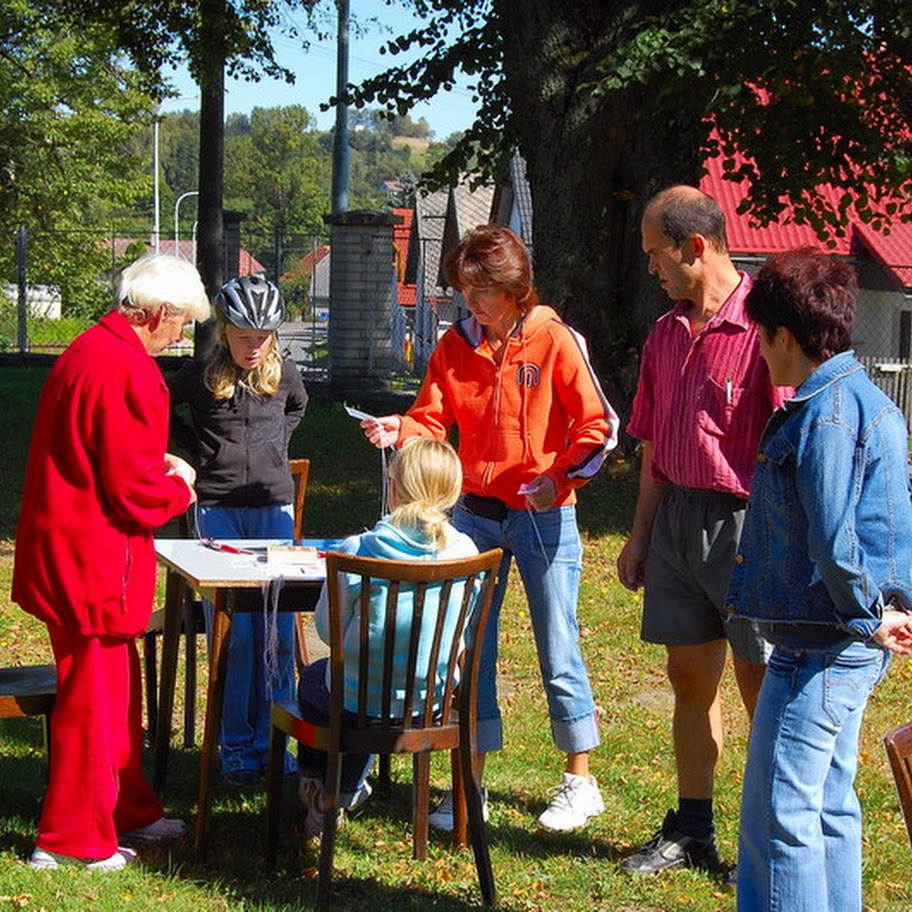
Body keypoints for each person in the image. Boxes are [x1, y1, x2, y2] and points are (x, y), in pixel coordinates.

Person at [364, 224, 618, 832]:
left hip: (544, 518)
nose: (468, 304)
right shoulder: (455, 346)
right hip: (475, 519)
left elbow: (600, 429)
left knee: (559, 646)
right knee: (470, 651)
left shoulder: (555, 341)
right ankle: (469, 784)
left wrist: (558, 480)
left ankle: (579, 781)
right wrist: (402, 428)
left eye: (479, 293)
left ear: (514, 290)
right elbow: (431, 417)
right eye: (462, 292)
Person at [728, 248, 912, 911]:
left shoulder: (826, 414)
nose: (761, 354)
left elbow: (834, 538)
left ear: (784, 334)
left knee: (782, 816)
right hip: (847, 640)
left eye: (761, 338)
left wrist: (867, 614)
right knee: (830, 803)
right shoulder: (868, 401)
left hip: (820, 643)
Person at [12, 253, 209, 871]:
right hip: (95, 561)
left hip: (69, 548)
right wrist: (180, 485)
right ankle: (70, 839)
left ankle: (128, 808)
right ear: (157, 313)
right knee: (90, 704)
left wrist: (161, 467)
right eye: (180, 323)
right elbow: (132, 490)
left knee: (113, 692)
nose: (180, 336)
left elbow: (102, 459)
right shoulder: (129, 371)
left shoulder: (89, 349)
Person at [617, 186, 787, 875]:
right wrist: (639, 537)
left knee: (761, 685)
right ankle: (694, 830)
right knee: (689, 678)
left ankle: (774, 842)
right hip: (679, 523)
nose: (651, 269)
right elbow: (654, 442)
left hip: (749, 525)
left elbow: (790, 443)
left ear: (696, 246)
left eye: (657, 254)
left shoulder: (765, 330)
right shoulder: (664, 333)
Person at [295, 437, 478, 836]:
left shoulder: (358, 549)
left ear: (392, 487)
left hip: (359, 700)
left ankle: (326, 792)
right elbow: (461, 634)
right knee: (338, 687)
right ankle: (338, 790)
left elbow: (328, 632)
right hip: (429, 700)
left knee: (313, 680)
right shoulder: (467, 552)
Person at [168, 275, 308, 785]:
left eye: (264, 335)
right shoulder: (202, 375)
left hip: (273, 508)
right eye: (245, 335)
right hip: (218, 509)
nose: (255, 345)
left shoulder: (286, 375)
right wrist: (196, 453)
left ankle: (276, 745)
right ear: (225, 332)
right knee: (238, 636)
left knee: (278, 633)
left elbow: (296, 408)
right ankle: (237, 746)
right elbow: (159, 401)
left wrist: (275, 451)